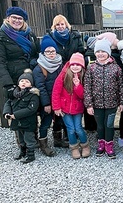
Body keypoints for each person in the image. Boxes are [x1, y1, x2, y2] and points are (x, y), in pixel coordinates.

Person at [46, 14, 85, 147]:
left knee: (74, 98)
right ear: (54, 26)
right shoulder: (51, 38)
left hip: (74, 68)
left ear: (66, 25)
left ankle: (70, 135)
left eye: (62, 24)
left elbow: (81, 51)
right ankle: (58, 136)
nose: (60, 26)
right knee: (60, 102)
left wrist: (76, 65)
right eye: (57, 24)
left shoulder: (74, 36)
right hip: (57, 70)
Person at [84, 39, 123, 159]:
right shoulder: (91, 68)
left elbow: (120, 87)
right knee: (100, 126)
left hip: (111, 104)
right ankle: (101, 144)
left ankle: (109, 145)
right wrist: (89, 105)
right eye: (98, 51)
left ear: (108, 53)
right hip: (97, 104)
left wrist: (121, 102)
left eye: (103, 51)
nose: (101, 54)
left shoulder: (115, 68)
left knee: (109, 125)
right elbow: (87, 87)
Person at [0, 7, 40, 99]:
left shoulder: (30, 35)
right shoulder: (0, 37)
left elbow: (38, 53)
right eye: (14, 17)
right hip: (16, 80)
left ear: (24, 21)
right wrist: (8, 85)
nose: (17, 21)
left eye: (20, 18)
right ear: (8, 18)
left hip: (32, 77)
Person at [52, 53, 90, 159]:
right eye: (73, 64)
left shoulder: (84, 76)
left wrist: (78, 86)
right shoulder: (63, 75)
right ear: (69, 65)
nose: (75, 67)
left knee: (78, 128)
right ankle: (74, 148)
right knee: (70, 129)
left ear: (82, 66)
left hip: (77, 108)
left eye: (78, 64)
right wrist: (56, 107)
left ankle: (85, 145)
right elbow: (56, 91)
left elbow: (83, 95)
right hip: (64, 108)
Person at [33, 35, 63, 156]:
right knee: (45, 123)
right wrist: (46, 103)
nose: (51, 53)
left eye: (53, 51)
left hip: (59, 100)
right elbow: (40, 87)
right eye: (48, 51)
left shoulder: (60, 64)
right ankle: (43, 144)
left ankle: (58, 140)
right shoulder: (39, 68)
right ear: (43, 52)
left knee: (59, 121)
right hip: (47, 101)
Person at [3, 69, 40, 164]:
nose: (24, 83)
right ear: (18, 83)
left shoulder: (33, 95)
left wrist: (15, 115)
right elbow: (8, 103)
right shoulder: (14, 94)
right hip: (17, 121)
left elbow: (31, 109)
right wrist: (7, 113)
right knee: (21, 137)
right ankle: (22, 152)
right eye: (22, 81)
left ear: (31, 84)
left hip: (28, 121)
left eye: (27, 81)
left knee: (29, 138)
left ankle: (31, 155)